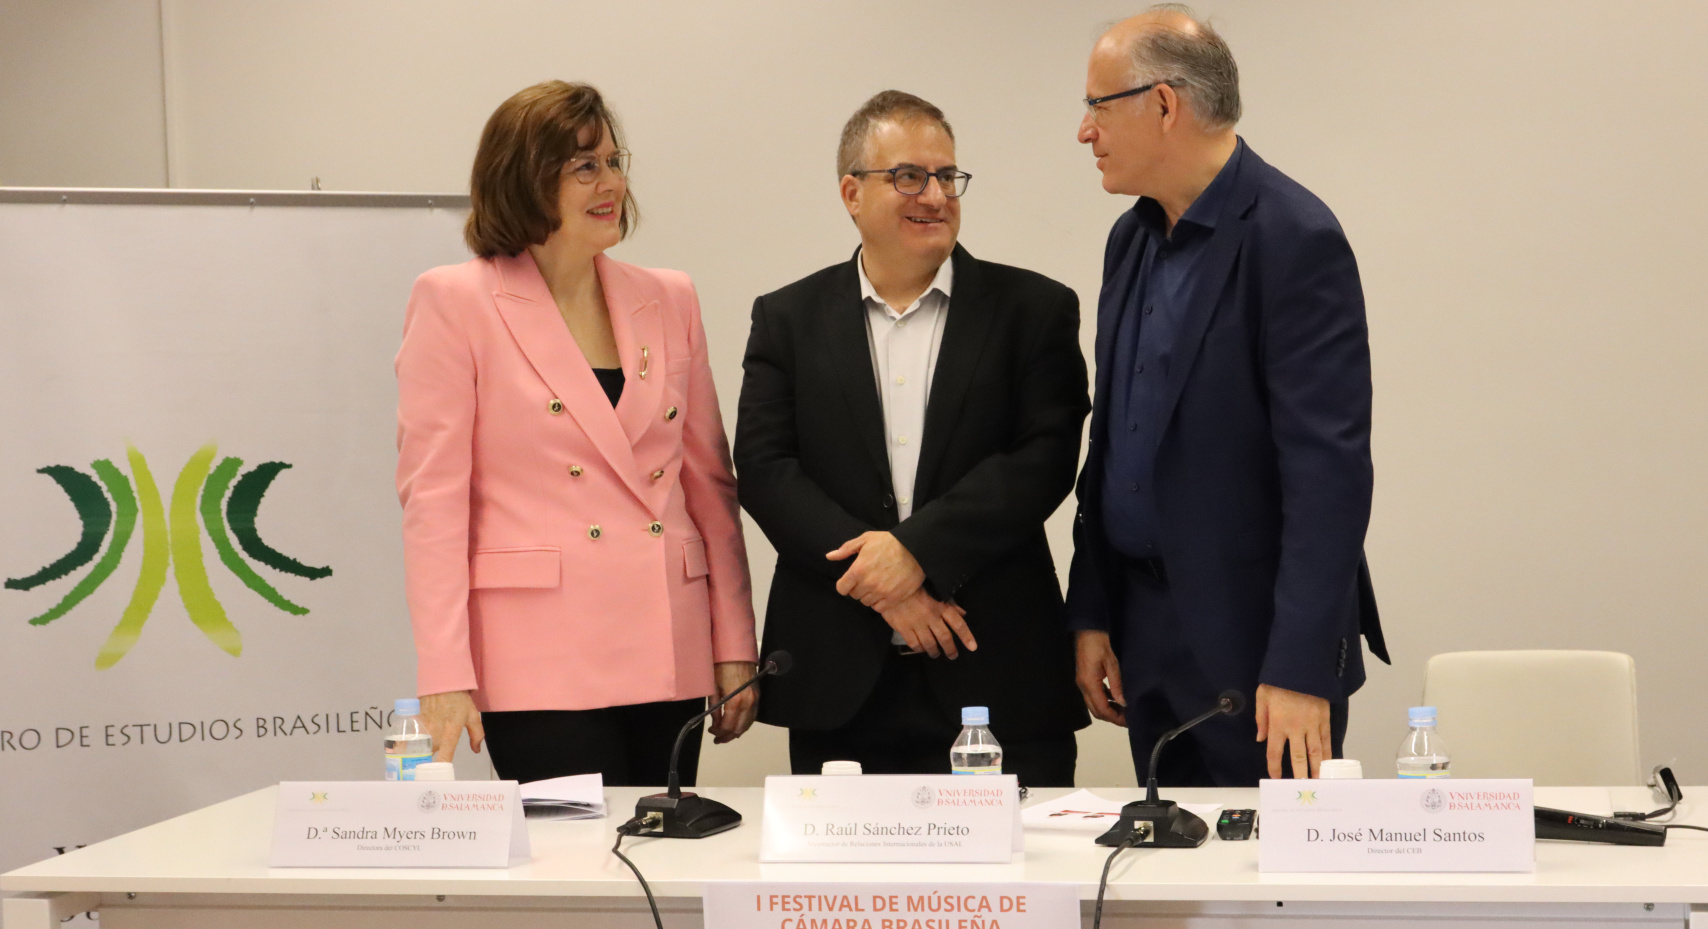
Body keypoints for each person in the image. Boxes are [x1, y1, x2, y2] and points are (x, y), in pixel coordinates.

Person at [395, 80, 758, 786]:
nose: (611, 184)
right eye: (584, 167)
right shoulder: (454, 301)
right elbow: (433, 504)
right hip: (537, 656)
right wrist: (444, 672)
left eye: (615, 164)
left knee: (663, 865)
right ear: (524, 180)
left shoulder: (669, 296)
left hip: (668, 640)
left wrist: (734, 641)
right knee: (573, 872)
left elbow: (710, 485)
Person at [1067, 6, 1389, 786]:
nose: (1085, 132)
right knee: (1166, 895)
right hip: (1146, 634)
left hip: (1260, 650)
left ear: (1165, 105)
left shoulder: (1294, 236)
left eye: (1097, 106)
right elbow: (1115, 440)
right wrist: (1093, 610)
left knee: (1266, 898)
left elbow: (1330, 474)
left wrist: (1303, 665)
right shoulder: (1131, 238)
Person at [735, 91, 1091, 787]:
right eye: (908, 176)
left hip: (997, 670)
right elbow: (766, 470)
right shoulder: (787, 318)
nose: (935, 195)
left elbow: (1044, 459)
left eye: (946, 176)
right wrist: (886, 585)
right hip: (836, 679)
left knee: (1015, 894)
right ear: (851, 192)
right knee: (841, 897)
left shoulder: (1034, 310)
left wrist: (915, 552)